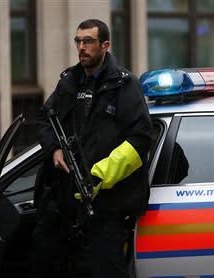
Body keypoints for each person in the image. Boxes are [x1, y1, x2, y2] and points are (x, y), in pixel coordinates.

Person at [31, 19, 153, 278]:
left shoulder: (124, 84)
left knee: (106, 268)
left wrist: (98, 176)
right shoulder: (70, 82)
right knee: (47, 259)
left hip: (107, 202)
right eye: (78, 41)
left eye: (88, 41)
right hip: (66, 198)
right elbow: (44, 119)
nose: (82, 47)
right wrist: (54, 149)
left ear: (105, 45)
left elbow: (141, 138)